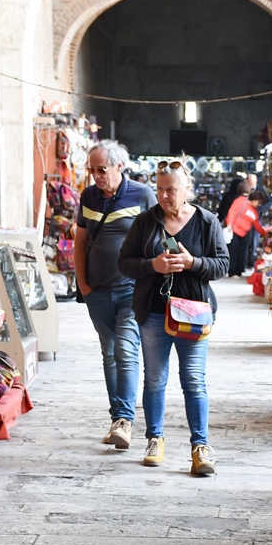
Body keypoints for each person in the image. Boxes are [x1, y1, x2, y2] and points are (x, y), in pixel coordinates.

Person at [119, 158, 229, 475]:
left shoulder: (207, 222)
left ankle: (200, 446)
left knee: (194, 380)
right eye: (160, 190)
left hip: (194, 314)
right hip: (154, 313)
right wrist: (151, 266)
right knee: (154, 379)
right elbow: (124, 263)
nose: (165, 196)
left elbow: (223, 265)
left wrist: (193, 262)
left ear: (187, 189)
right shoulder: (145, 223)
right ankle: (154, 439)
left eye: (171, 190)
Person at [75, 140, 158, 449]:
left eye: (101, 169)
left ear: (119, 167)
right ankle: (117, 418)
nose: (96, 175)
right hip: (96, 290)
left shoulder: (142, 195)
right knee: (109, 352)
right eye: (91, 170)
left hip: (130, 289)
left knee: (125, 349)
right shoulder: (88, 196)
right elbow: (81, 241)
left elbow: (158, 240)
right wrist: (82, 283)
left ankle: (124, 420)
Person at [226, 189, 270, 277]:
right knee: (234, 252)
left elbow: (256, 224)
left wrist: (264, 233)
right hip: (234, 231)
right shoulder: (241, 201)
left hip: (244, 233)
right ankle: (232, 272)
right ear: (255, 199)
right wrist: (229, 224)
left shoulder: (254, 211)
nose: (259, 205)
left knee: (242, 252)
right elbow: (232, 212)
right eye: (259, 202)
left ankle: (239, 271)